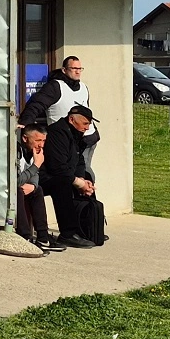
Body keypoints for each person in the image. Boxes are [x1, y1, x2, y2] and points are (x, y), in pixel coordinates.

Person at [41, 105, 107, 247]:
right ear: (72, 119)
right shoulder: (57, 133)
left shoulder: (75, 133)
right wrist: (77, 182)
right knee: (62, 184)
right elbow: (57, 167)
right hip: (45, 177)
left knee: (87, 177)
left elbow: (79, 159)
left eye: (89, 124)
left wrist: (83, 180)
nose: (87, 128)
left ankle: (88, 228)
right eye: (85, 123)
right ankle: (68, 234)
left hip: (64, 173)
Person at [21, 54, 98, 165]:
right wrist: (26, 124)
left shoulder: (83, 87)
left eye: (80, 69)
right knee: (65, 170)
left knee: (83, 170)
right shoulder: (54, 87)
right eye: (74, 68)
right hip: (62, 140)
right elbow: (36, 105)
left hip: (88, 138)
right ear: (64, 70)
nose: (78, 72)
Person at [15, 125, 61, 251]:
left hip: (23, 186)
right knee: (17, 192)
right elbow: (15, 181)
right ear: (25, 138)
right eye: (38, 140)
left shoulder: (34, 151)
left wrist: (33, 185)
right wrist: (36, 165)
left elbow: (35, 174)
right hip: (6, 189)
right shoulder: (16, 150)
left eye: (43, 141)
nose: (41, 145)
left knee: (38, 190)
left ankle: (43, 237)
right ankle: (25, 237)